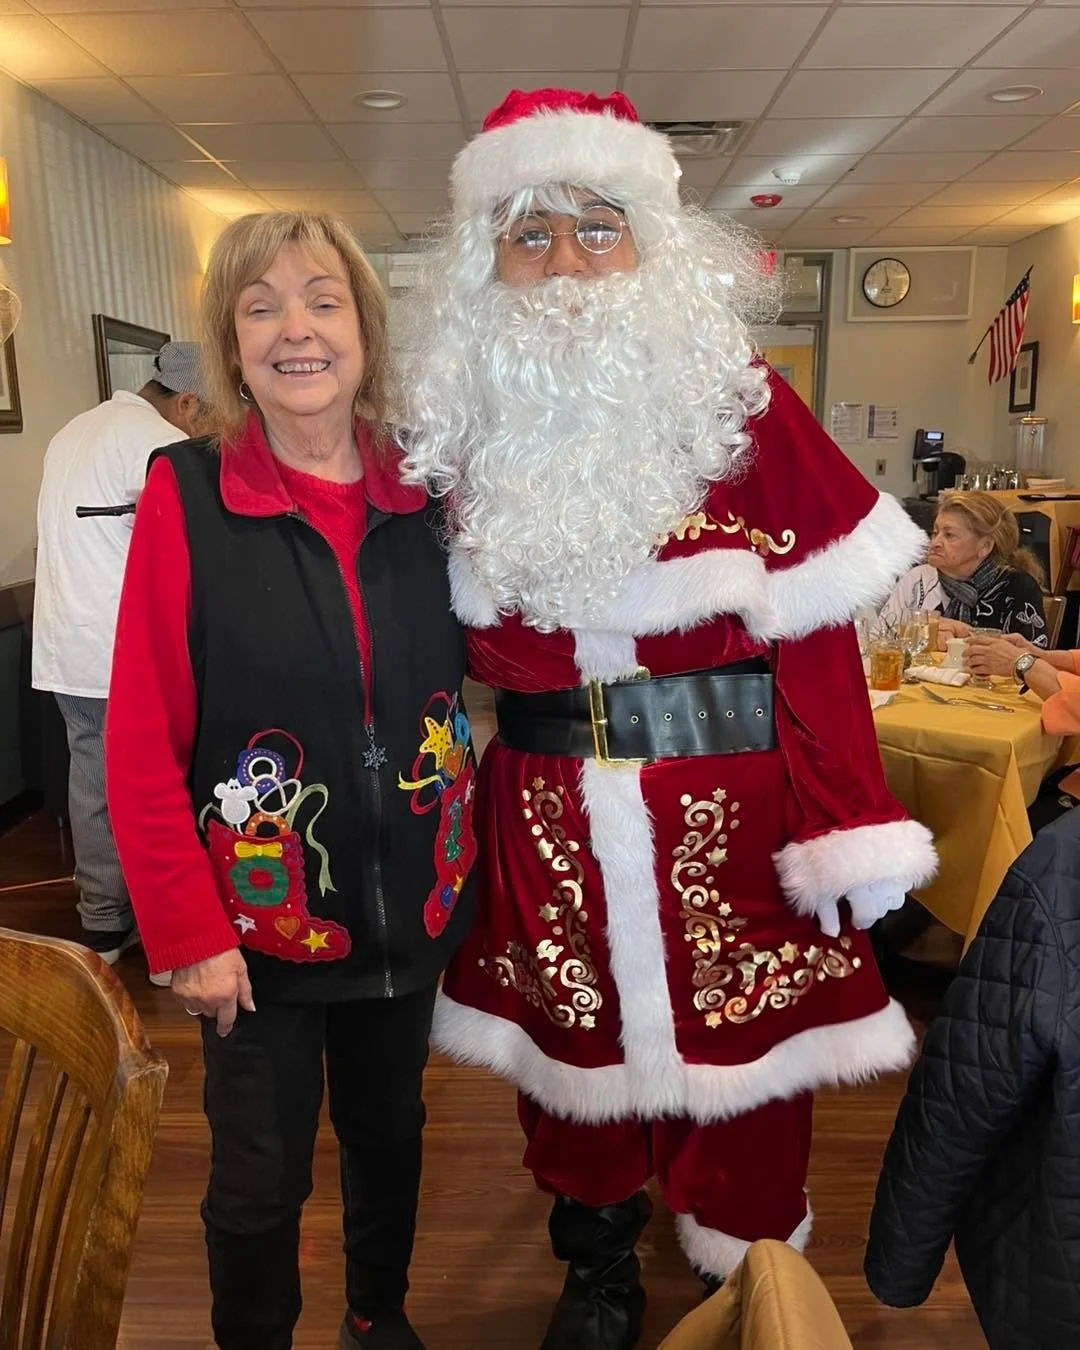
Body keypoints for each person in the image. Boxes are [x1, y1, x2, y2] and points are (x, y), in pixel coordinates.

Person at [396, 87, 936, 1350]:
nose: (568, 259)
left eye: (597, 225)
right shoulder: (455, 425)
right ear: (489, 265)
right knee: (568, 1052)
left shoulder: (736, 400)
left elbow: (820, 639)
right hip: (541, 806)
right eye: (532, 235)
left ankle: (747, 1277)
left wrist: (849, 818)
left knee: (748, 1066)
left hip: (735, 806)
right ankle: (595, 1264)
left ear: (651, 243)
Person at [105, 211, 476, 1350]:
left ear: (364, 328)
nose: (295, 328)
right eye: (260, 305)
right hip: (258, 930)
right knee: (257, 1183)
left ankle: (379, 1313)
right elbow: (139, 734)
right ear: (229, 340)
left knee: (391, 1142)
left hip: (409, 907)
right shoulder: (187, 494)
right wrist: (183, 925)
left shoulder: (433, 495)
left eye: (322, 298)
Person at [864, 805, 1080, 1350]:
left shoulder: (1067, 862)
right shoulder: (1066, 867)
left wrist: (900, 1263)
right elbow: (967, 1082)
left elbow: (961, 1093)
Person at [32, 343, 207, 979]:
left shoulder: (74, 429)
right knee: (149, 785)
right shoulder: (158, 442)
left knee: (94, 781)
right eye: (212, 418)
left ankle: (104, 921)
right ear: (188, 402)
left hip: (63, 646)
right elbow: (192, 551)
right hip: (118, 651)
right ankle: (163, 939)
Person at [876, 490, 1047, 646]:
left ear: (984, 547)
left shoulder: (1017, 587)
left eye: (949, 535)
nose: (935, 543)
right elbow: (877, 640)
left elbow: (1031, 659)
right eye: (935, 533)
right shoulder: (917, 579)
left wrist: (963, 633)